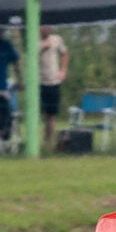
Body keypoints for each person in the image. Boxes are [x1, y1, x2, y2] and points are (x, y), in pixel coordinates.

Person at [35, 21, 69, 150]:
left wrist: (63, 70)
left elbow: (65, 54)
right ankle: (35, 143)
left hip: (53, 82)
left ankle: (48, 144)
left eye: (49, 26)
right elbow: (29, 55)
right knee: (38, 113)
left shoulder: (57, 39)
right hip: (38, 83)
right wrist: (42, 47)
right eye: (44, 26)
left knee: (51, 114)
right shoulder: (33, 40)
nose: (48, 29)